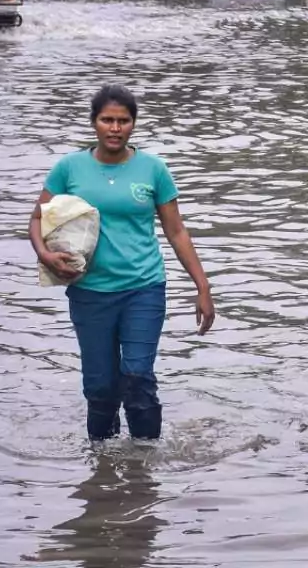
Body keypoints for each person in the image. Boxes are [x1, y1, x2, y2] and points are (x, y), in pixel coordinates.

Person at [29, 85, 216, 442]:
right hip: (89, 291)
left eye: (123, 121)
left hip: (143, 288)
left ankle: (144, 465)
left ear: (133, 125)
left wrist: (202, 286)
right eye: (107, 120)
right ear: (94, 123)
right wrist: (45, 254)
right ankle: (101, 469)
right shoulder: (70, 168)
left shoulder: (153, 169)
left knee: (137, 375)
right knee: (100, 388)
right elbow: (37, 219)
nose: (115, 128)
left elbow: (176, 231)